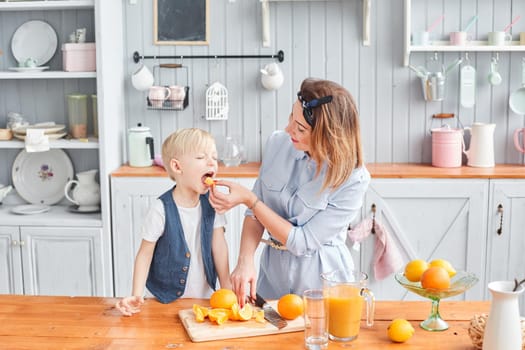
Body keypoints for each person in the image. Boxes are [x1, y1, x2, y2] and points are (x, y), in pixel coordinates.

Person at [209, 78, 370, 305]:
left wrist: (249, 199)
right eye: (291, 118)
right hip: (272, 278)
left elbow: (301, 241)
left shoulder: (353, 178)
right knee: (268, 334)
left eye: (300, 127)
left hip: (323, 284)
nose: (288, 129)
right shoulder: (277, 144)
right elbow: (255, 215)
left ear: (328, 136)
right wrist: (245, 260)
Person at [116, 128, 231, 316]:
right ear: (177, 167)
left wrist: (227, 287)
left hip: (204, 298)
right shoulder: (160, 209)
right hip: (163, 301)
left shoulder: (212, 204)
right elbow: (144, 254)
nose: (212, 162)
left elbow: (219, 247)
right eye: (201, 157)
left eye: (214, 157)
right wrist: (136, 295)